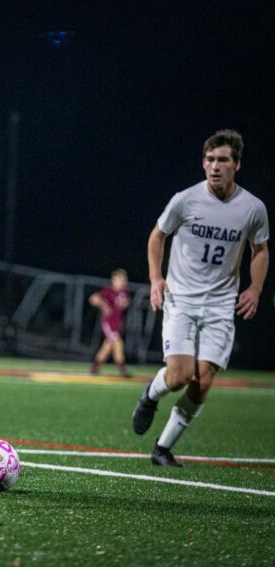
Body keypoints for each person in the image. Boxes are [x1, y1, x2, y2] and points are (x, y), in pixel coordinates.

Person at [131, 129, 269, 467]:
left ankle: (162, 448)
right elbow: (157, 235)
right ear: (203, 163)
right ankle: (149, 396)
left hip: (221, 306)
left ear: (236, 164)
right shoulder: (186, 199)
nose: (215, 166)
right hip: (182, 299)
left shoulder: (252, 208)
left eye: (222, 160)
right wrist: (155, 278)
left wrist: (255, 288)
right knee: (179, 375)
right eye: (210, 160)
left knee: (203, 381)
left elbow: (260, 250)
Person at [89, 268, 132, 377]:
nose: (122, 283)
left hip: (116, 324)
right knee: (118, 344)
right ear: (114, 280)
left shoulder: (123, 292)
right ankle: (122, 369)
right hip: (108, 323)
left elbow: (125, 303)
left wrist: (126, 304)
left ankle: (95, 366)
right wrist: (104, 306)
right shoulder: (108, 291)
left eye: (124, 280)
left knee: (107, 347)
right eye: (120, 280)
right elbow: (93, 298)